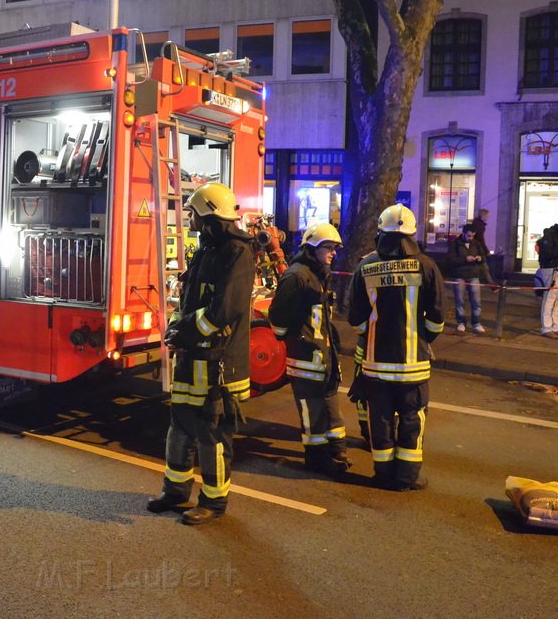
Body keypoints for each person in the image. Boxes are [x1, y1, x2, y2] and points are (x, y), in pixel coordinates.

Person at [146, 182, 255, 526]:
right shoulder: (207, 250)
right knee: (180, 427)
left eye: (193, 212)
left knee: (212, 434)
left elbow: (223, 311)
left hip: (217, 364)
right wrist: (175, 328)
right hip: (192, 360)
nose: (190, 218)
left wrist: (185, 334)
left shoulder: (237, 254)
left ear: (208, 216)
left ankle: (214, 501)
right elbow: (190, 300)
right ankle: (175, 491)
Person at [348, 204, 445, 491]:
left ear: (380, 232)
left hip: (376, 367)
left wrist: (372, 337)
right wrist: (422, 339)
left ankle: (383, 475)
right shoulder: (426, 266)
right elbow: (438, 317)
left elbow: (356, 318)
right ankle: (406, 478)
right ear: (413, 233)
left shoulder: (365, 267)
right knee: (412, 420)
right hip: (413, 368)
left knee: (380, 422)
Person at [268, 222, 350, 476]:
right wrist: (293, 340)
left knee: (329, 403)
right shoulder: (297, 275)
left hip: (322, 355)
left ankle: (336, 449)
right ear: (313, 246)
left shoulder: (317, 273)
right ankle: (316, 460)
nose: (333, 253)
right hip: (305, 357)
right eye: (328, 247)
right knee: (311, 410)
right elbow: (278, 316)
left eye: (335, 248)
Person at [447, 223, 489, 334]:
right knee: (459, 301)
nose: (471, 238)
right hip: (459, 275)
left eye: (472, 236)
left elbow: (484, 256)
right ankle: (461, 322)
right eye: (469, 236)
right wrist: (465, 259)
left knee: (476, 301)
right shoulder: (455, 244)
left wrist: (480, 258)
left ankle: (476, 323)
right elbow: (451, 260)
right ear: (464, 233)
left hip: (473, 275)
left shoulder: (476, 243)